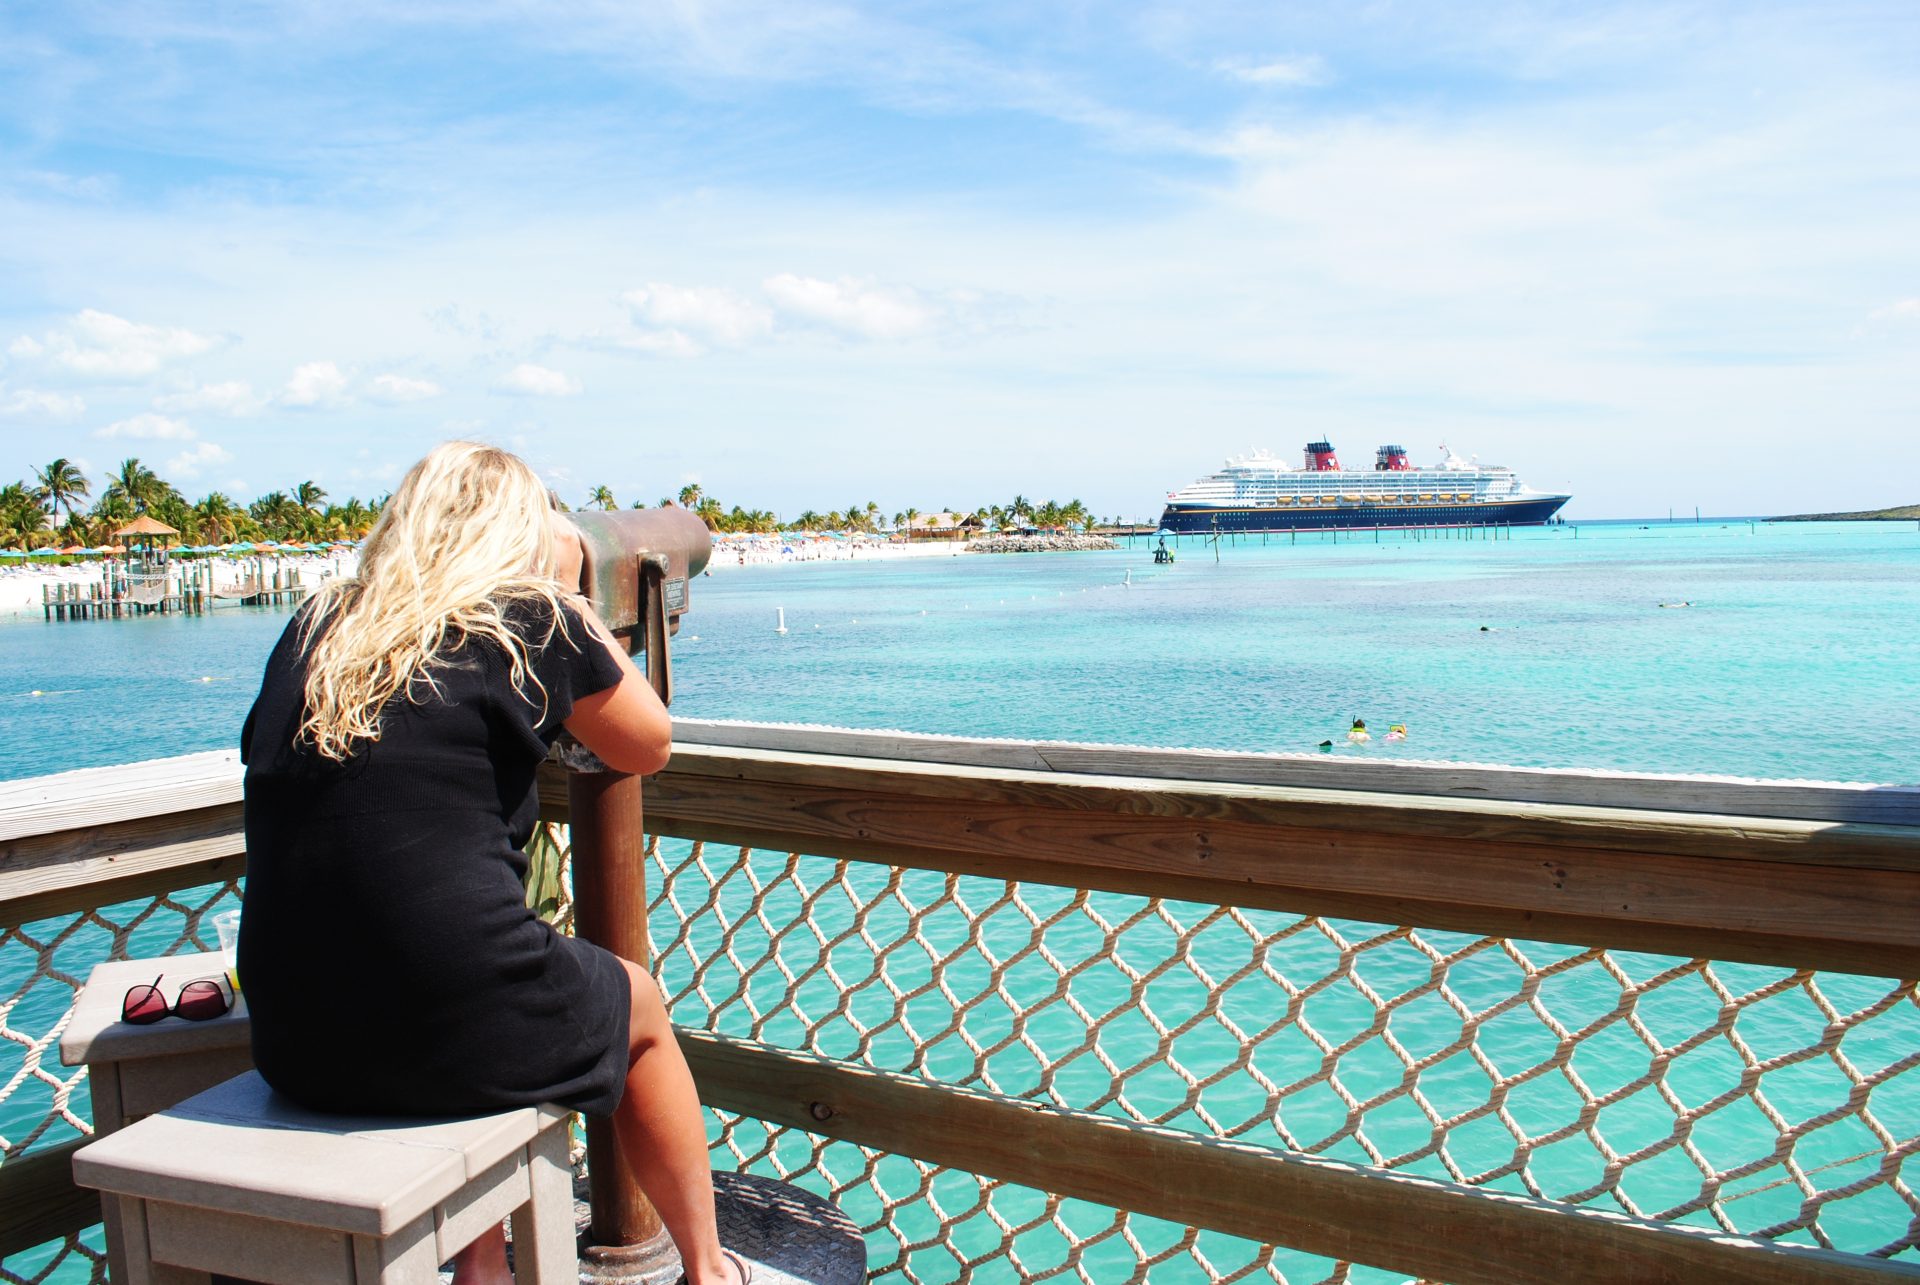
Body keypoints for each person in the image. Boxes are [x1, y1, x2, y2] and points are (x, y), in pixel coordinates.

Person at [237, 443, 749, 1285]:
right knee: (639, 1006)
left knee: (476, 962)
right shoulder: (528, 618)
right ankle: (709, 1269)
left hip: (294, 1038)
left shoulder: (317, 625)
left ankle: (484, 1269)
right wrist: (574, 599)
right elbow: (649, 741)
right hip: (450, 1022)